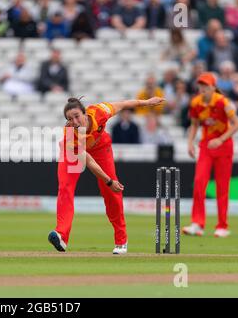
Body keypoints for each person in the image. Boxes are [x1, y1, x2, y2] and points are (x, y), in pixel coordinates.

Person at [48, 96, 165, 254]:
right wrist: (109, 181)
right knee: (65, 188)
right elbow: (88, 161)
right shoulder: (70, 133)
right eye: (70, 119)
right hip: (75, 152)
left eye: (77, 116)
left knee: (111, 194)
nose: (74, 122)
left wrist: (146, 102)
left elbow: (123, 104)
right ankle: (61, 235)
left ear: (85, 113)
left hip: (101, 147)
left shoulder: (99, 112)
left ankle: (121, 240)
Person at [182, 72, 238, 238]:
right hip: (206, 146)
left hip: (223, 146)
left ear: (214, 87)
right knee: (199, 183)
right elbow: (194, 124)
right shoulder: (196, 103)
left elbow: (237, 125)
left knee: (222, 187)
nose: (202, 88)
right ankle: (197, 224)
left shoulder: (223, 102)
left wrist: (220, 140)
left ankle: (222, 225)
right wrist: (190, 143)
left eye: (206, 85)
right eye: (201, 85)